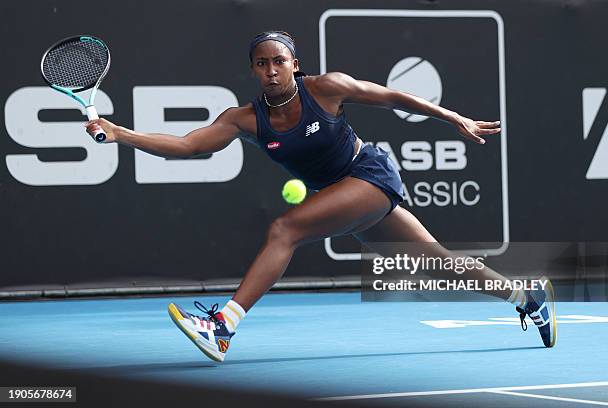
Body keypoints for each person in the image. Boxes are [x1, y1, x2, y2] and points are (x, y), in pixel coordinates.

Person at [86, 31, 556, 362]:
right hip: (341, 193)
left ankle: (223, 325)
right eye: (262, 63)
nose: (271, 71)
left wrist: (453, 117)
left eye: (279, 61)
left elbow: (392, 96)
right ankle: (527, 295)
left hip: (368, 176)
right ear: (253, 69)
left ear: (294, 63)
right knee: (437, 261)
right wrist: (120, 133)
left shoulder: (326, 88)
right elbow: (187, 147)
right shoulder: (243, 119)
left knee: (283, 229)